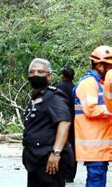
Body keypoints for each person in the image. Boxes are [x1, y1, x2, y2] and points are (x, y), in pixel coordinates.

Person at [22, 58, 72, 187]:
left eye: (40, 72)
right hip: (35, 160)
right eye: (32, 72)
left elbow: (64, 122)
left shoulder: (54, 97)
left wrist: (56, 153)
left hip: (49, 159)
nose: (35, 75)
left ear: (49, 76)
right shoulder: (37, 97)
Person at [73, 45, 112, 187]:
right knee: (96, 181)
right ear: (100, 65)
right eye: (109, 66)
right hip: (93, 146)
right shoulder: (88, 83)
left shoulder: (100, 83)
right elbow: (91, 110)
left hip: (100, 145)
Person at [54, 66, 77, 183]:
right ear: (73, 77)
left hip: (59, 121)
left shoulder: (56, 88)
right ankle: (70, 175)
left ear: (62, 76)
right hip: (74, 122)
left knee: (59, 145)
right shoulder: (76, 89)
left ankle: (59, 172)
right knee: (73, 147)